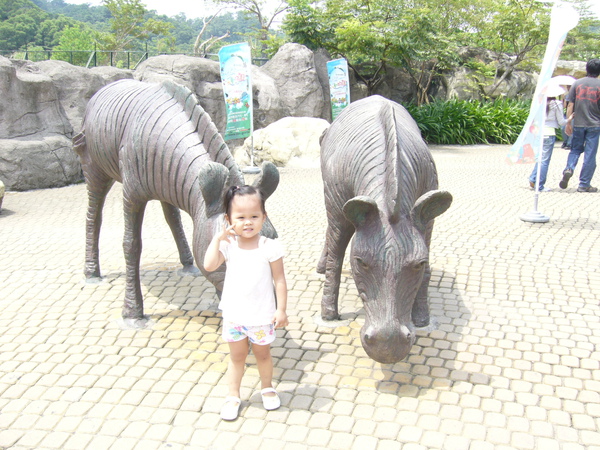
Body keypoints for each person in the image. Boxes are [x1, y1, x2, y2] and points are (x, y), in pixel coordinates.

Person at [203, 185, 288, 421]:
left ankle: (268, 387)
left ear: (264, 217)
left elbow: (279, 280)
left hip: (262, 317)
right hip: (235, 316)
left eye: (254, 216)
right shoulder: (228, 246)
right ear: (229, 219)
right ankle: (233, 395)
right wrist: (218, 238)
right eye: (240, 217)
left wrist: (281, 309)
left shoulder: (269, 247)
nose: (248, 222)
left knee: (263, 355)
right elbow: (209, 265)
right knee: (236, 357)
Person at [559, 58, 600, 192]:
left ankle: (569, 168)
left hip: (578, 124)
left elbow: (570, 104)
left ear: (587, 69)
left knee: (575, 150)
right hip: (595, 125)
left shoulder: (577, 84)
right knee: (590, 154)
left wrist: (568, 122)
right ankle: (584, 184)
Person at [529, 88, 569, 192]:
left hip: (539, 133)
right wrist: (570, 119)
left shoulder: (540, 103)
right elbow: (561, 122)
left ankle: (533, 179)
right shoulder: (556, 103)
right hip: (549, 133)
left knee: (540, 158)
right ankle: (540, 185)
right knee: (545, 161)